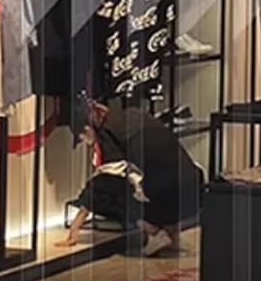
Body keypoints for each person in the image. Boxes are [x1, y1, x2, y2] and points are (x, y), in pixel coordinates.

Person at [57, 96, 203, 256]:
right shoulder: (133, 115)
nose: (86, 144)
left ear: (87, 130)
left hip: (169, 193)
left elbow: (100, 185)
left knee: (112, 192)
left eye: (82, 139)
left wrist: (75, 228)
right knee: (156, 176)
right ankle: (172, 235)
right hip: (193, 190)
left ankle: (155, 234)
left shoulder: (109, 136)